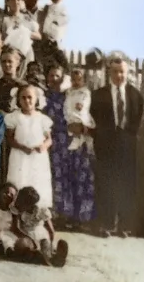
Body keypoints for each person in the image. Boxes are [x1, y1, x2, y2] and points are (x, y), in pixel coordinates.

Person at [91, 52, 144, 238]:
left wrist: (126, 135)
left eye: (122, 72)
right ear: (109, 73)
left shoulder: (136, 95)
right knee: (106, 183)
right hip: (105, 145)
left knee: (126, 184)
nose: (119, 76)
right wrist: (104, 137)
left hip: (127, 145)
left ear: (127, 73)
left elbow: (136, 119)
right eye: (115, 72)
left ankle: (124, 225)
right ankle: (106, 224)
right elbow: (95, 119)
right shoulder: (98, 95)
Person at [45, 64, 95, 231]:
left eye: (57, 75)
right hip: (56, 144)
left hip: (75, 142)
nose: (54, 79)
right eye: (50, 75)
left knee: (79, 177)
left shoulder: (75, 95)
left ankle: (80, 217)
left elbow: (86, 115)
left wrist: (83, 128)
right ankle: (61, 215)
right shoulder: (44, 97)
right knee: (60, 178)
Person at [4, 85, 53, 208]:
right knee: (20, 180)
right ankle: (18, 212)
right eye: (23, 98)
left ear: (36, 99)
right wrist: (22, 147)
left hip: (38, 157)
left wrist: (43, 146)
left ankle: (37, 212)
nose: (27, 101)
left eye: (30, 97)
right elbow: (9, 138)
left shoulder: (42, 118)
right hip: (20, 155)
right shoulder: (14, 117)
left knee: (37, 181)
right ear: (18, 100)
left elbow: (49, 139)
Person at [10, 186, 68, 267]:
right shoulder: (16, 209)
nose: (19, 204)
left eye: (23, 203)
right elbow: (15, 228)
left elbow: (51, 230)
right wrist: (30, 240)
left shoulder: (40, 210)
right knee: (23, 245)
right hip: (24, 233)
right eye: (18, 201)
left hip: (39, 232)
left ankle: (53, 258)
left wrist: (51, 243)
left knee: (44, 242)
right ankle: (39, 256)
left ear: (30, 205)